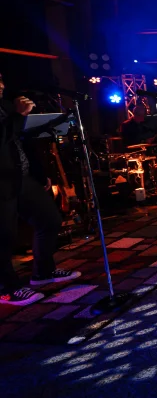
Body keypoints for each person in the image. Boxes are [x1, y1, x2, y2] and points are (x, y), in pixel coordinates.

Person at [0, 74, 81, 306]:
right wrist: (18, 115)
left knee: (49, 220)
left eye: (2, 80)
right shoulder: (12, 110)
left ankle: (43, 272)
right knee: (3, 237)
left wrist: (38, 172)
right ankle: (8, 288)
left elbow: (21, 140)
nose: (3, 85)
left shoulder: (6, 106)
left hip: (21, 176)